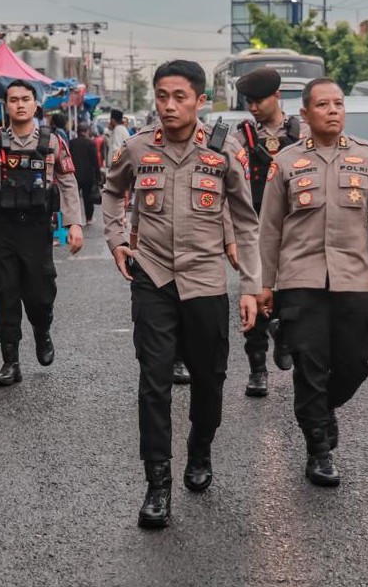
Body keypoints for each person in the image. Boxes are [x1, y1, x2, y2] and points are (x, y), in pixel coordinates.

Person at [103, 59, 260, 529]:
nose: (169, 106)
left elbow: (247, 222)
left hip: (206, 280)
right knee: (153, 383)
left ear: (199, 101)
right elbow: (111, 194)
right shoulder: (136, 148)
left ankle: (200, 448)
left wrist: (251, 286)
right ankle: (157, 484)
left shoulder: (222, 150)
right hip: (152, 278)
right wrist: (116, 241)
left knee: (210, 381)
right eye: (162, 97)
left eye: (180, 98)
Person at [257, 78, 368, 488]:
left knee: (355, 361)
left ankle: (322, 410)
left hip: (352, 279)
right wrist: (264, 284)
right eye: (323, 105)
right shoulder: (286, 162)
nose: (333, 111)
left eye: (338, 104)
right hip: (300, 279)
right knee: (309, 366)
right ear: (305, 114)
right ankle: (319, 450)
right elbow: (269, 228)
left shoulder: (367, 157)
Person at [0, 80, 84, 387]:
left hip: (37, 229)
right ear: (6, 106)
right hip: (3, 229)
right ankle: (10, 361)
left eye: (25, 99)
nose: (19, 104)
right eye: (13, 100)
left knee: (40, 291)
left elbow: (69, 181)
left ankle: (42, 330)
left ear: (36, 104)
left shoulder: (53, 141)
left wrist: (74, 223)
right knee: (4, 293)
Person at [230, 68, 306, 397]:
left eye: (259, 100)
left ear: (277, 96)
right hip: (255, 223)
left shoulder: (300, 132)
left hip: (295, 222)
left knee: (292, 292)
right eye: (249, 101)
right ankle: (257, 369)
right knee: (257, 291)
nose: (254, 107)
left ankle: (285, 336)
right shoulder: (240, 133)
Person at [69, 122, 101, 224]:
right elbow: (95, 161)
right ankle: (89, 218)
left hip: (74, 174)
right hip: (88, 175)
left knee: (74, 199)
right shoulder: (90, 143)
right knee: (88, 198)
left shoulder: (71, 142)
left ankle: (74, 220)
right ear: (87, 131)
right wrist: (98, 176)